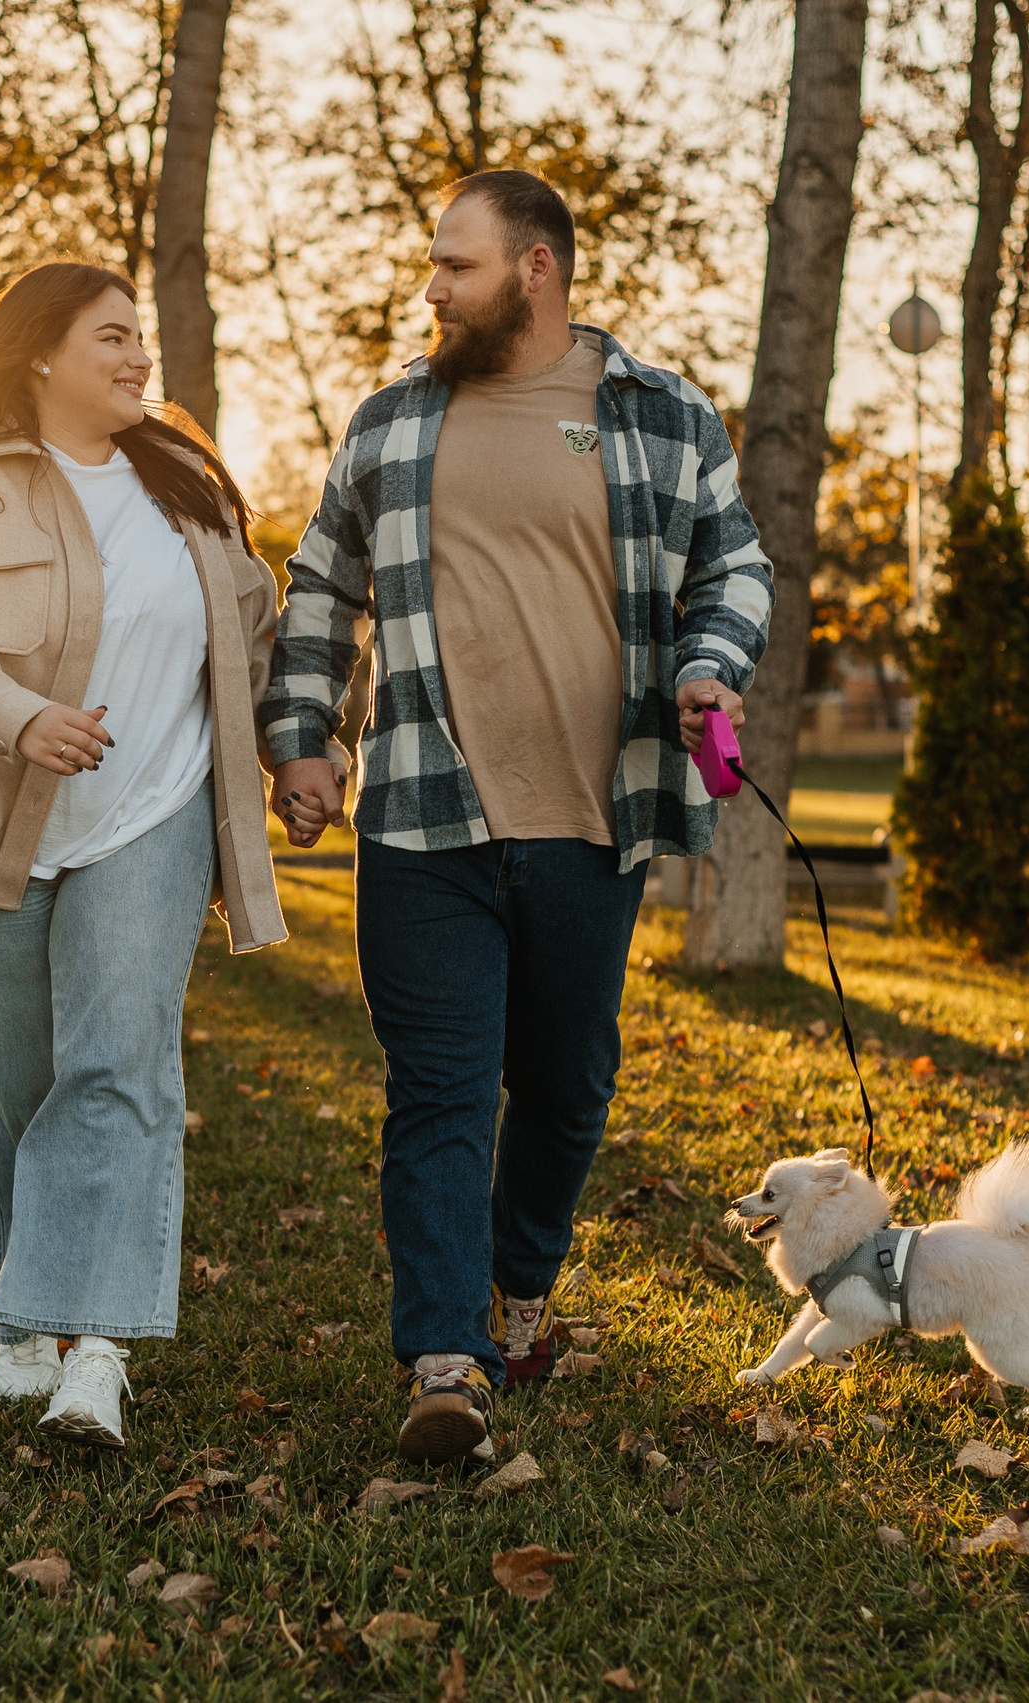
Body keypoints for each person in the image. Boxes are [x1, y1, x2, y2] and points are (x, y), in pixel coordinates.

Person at [259, 171, 774, 1463]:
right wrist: (303, 737)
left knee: (565, 1084)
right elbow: (322, 587)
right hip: (420, 816)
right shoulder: (391, 423)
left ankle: (520, 1283)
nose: (431, 287)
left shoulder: (660, 413)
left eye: (458, 264)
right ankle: (445, 1357)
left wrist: (710, 662)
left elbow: (733, 562)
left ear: (536, 268)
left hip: (593, 816)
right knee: (438, 1093)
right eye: (434, 264)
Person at [0, 260, 286, 1450]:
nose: (137, 356)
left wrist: (304, 752)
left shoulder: (187, 487)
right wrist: (18, 716)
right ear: (40, 351)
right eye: (111, 335)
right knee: (17, 1084)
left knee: (117, 1067)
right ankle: (28, 1323)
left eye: (138, 335)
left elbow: (253, 637)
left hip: (151, 814)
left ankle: (96, 1352)